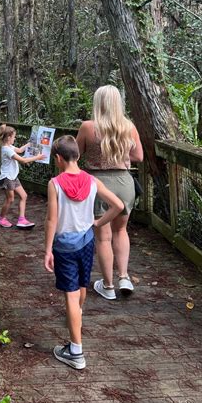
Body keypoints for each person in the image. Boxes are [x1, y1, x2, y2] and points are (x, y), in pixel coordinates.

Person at [44, 135, 124, 369]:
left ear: (58, 158)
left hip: (64, 246)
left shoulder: (55, 184)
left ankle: (76, 352)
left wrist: (47, 249)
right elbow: (118, 205)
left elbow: (51, 220)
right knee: (81, 286)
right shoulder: (92, 181)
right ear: (78, 156)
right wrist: (98, 223)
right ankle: (76, 317)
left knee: (70, 292)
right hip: (87, 241)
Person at [76, 85, 144, 300]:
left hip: (97, 184)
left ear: (98, 103)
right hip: (124, 183)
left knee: (103, 237)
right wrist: (119, 154)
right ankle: (124, 277)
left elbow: (75, 155)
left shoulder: (88, 127)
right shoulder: (129, 127)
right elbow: (139, 156)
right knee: (121, 231)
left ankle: (107, 286)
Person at [0, 124, 46, 229]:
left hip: (13, 176)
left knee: (24, 196)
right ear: (9, 137)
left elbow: (20, 150)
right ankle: (1, 219)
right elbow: (23, 160)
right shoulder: (6, 149)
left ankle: (21, 219)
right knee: (10, 199)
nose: (15, 138)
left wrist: (30, 143)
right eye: (14, 136)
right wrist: (38, 157)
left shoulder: (10, 146)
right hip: (7, 177)